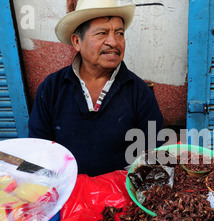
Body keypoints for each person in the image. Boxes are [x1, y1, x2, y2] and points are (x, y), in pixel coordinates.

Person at [28, 0, 164, 176]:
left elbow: (153, 154)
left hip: (122, 196)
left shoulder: (139, 92)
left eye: (119, 33)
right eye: (102, 33)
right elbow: (38, 150)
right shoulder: (52, 88)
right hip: (66, 193)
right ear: (77, 41)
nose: (113, 42)